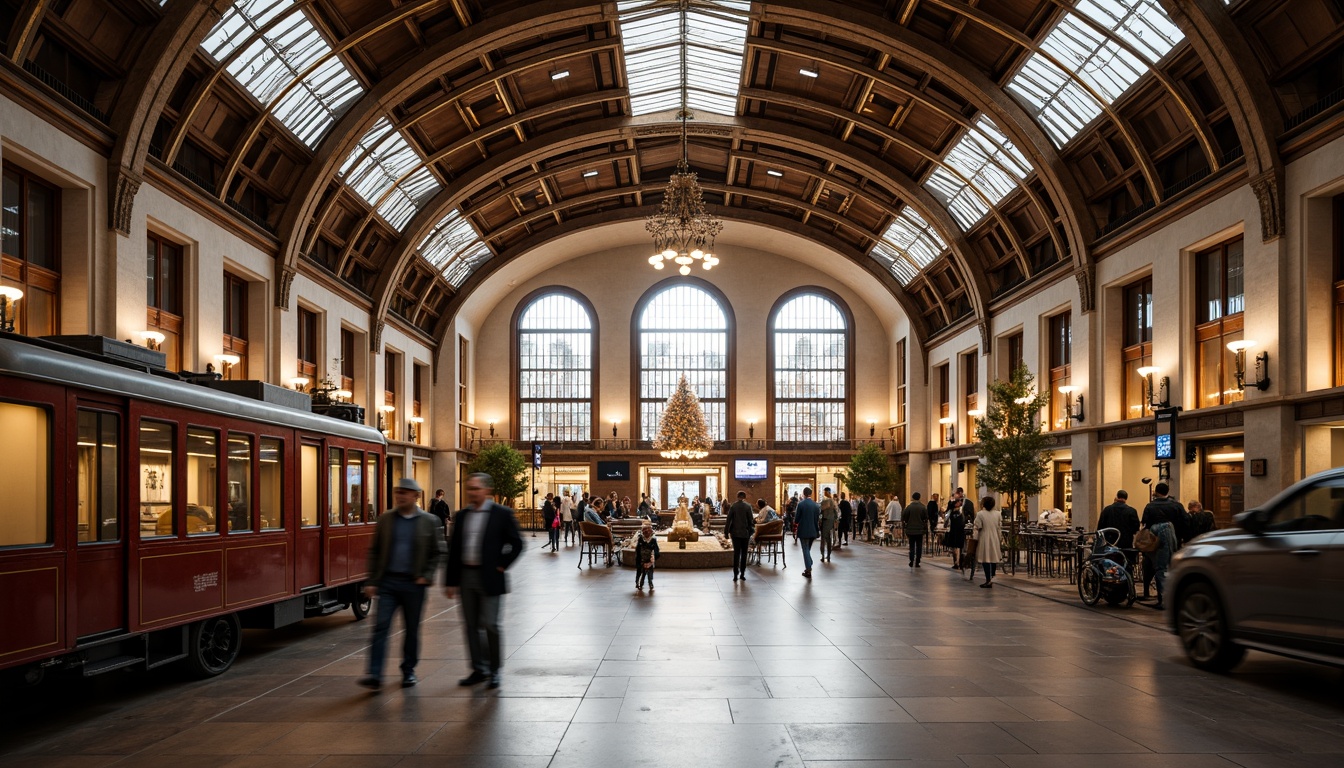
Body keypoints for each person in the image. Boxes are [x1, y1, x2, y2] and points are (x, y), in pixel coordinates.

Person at [358, 478, 443, 690]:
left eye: (405, 493)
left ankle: (408, 670)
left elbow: (437, 552)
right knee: (380, 627)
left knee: (411, 629)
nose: (400, 496)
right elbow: (375, 550)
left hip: (414, 584)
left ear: (416, 496)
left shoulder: (429, 521)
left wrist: (427, 575)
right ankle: (375, 674)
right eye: (398, 492)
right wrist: (372, 580)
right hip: (388, 583)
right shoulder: (386, 519)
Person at [444, 472, 524, 690]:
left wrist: (502, 564)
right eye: (469, 488)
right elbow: (454, 550)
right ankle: (479, 669)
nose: (472, 492)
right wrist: (450, 581)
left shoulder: (502, 514)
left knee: (490, 623)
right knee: (471, 625)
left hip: (490, 576)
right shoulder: (461, 516)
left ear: (487, 491)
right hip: (466, 576)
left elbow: (517, 544)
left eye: (476, 489)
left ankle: (495, 670)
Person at [1141, 482, 1185, 610]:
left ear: (1155, 492)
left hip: (1155, 541)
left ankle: (1164, 599)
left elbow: (1145, 523)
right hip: (1174, 540)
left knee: (1159, 568)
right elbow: (1185, 521)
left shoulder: (1150, 506)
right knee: (1173, 567)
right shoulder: (1176, 505)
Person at [1097, 490, 1140, 575]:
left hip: (1110, 543)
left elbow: (1100, 527)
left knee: (1110, 565)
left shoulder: (1107, 510)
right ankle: (1127, 581)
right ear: (1126, 498)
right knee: (1126, 565)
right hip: (1126, 543)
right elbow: (1136, 528)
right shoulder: (1131, 511)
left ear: (1116, 497)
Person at [973, 496, 1003, 588]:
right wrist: (1000, 538)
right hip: (994, 537)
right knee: (993, 556)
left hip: (984, 537)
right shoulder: (998, 514)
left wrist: (975, 538)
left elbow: (977, 527)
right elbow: (999, 528)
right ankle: (992, 575)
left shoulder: (980, 514)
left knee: (986, 558)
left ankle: (988, 579)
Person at [726, 491, 755, 581]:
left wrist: (726, 532)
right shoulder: (748, 506)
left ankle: (735, 574)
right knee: (744, 553)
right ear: (745, 497)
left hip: (735, 533)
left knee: (736, 553)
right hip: (745, 533)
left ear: (737, 496)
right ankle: (742, 573)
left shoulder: (733, 506)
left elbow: (729, 519)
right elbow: (751, 520)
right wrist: (751, 529)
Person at [795, 487, 820, 578]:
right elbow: (817, 519)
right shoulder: (816, 505)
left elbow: (796, 519)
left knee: (805, 549)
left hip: (803, 530)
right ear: (811, 493)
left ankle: (808, 569)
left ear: (803, 494)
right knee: (807, 549)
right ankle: (809, 562)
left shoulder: (801, 504)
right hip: (813, 530)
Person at [902, 492, 927, 568]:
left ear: (913, 497)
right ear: (919, 498)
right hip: (919, 530)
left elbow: (904, 516)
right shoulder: (923, 507)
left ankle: (911, 560)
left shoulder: (909, 507)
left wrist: (907, 521)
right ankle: (918, 562)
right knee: (919, 546)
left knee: (912, 546)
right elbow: (926, 517)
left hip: (910, 530)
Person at [943, 495, 967, 571]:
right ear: (956, 504)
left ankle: (957, 563)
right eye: (959, 501)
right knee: (957, 547)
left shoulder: (952, 512)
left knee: (955, 547)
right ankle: (957, 563)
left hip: (954, 531)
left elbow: (945, 522)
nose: (960, 502)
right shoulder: (958, 512)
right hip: (956, 531)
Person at [633, 522, 659, 591]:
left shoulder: (653, 540)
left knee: (650, 573)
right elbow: (637, 550)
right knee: (641, 572)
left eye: (648, 531)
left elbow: (656, 550)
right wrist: (639, 559)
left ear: (650, 532)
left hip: (650, 559)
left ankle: (650, 582)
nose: (646, 532)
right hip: (641, 559)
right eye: (644, 531)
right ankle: (638, 582)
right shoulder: (641, 539)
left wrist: (653, 558)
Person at [819, 488, 837, 563]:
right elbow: (836, 513)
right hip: (831, 522)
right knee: (829, 539)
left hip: (825, 521)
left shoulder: (826, 500)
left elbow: (821, 510)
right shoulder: (833, 501)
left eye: (824, 492)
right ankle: (828, 555)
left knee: (824, 538)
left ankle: (823, 555)